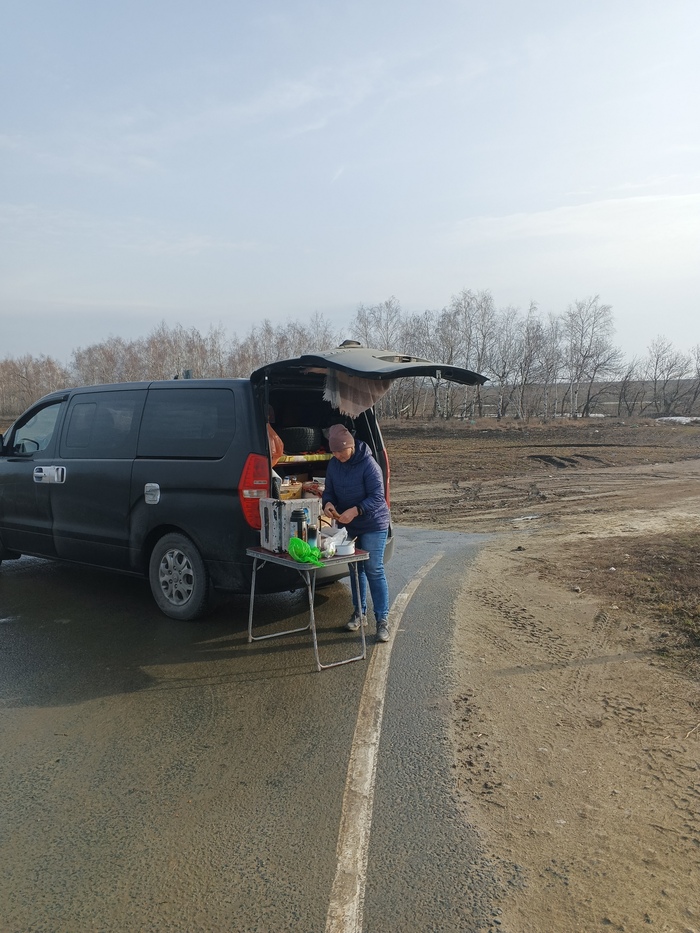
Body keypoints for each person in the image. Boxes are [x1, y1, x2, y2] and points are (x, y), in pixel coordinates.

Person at [322, 423, 392, 643]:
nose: (338, 456)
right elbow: (329, 491)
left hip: (373, 522)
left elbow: (378, 496)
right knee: (355, 569)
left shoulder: (368, 464)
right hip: (349, 524)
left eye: (341, 451)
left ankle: (382, 621)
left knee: (373, 568)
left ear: (350, 447)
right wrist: (329, 505)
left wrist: (355, 510)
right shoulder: (334, 465)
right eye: (334, 452)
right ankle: (359, 614)